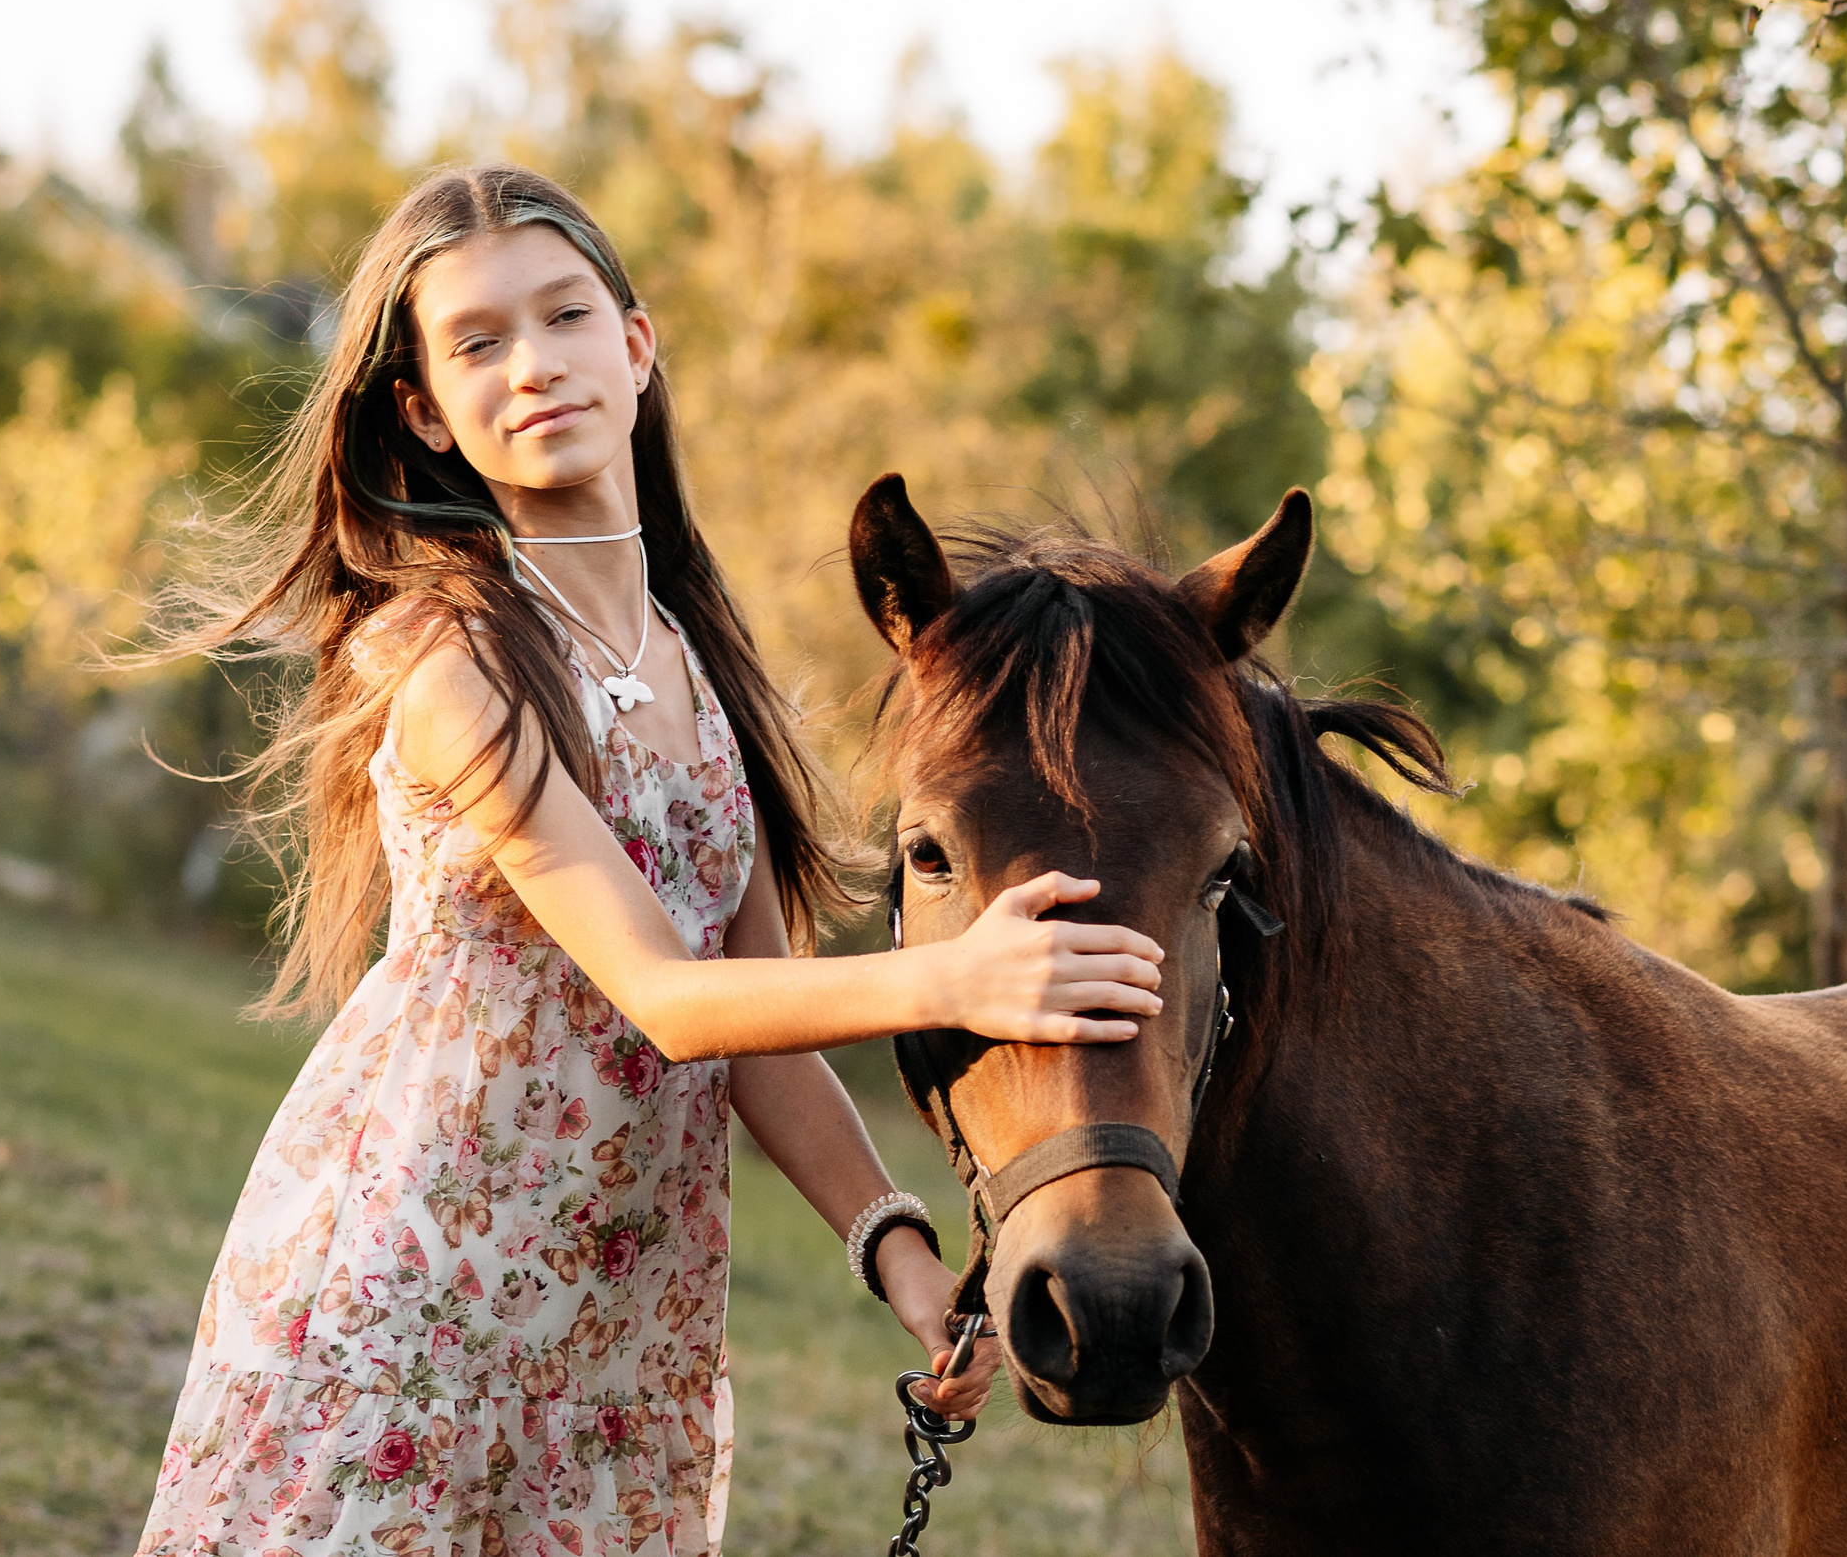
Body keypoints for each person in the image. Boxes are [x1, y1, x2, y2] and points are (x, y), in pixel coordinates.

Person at [135, 163, 1164, 1557]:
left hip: (622, 1315)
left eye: (565, 317)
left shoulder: (701, 668)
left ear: (636, 344)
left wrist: (903, 1255)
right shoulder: (447, 658)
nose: (534, 366)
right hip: (418, 1279)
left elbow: (760, 1021)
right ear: (426, 413)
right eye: (478, 343)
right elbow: (667, 999)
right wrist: (958, 974)